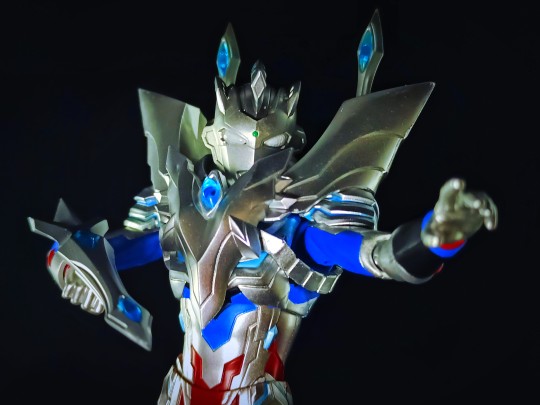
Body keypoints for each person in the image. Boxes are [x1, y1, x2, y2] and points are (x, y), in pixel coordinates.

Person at [28, 10, 497, 405]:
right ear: (212, 137)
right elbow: (96, 248)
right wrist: (73, 272)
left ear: (289, 146)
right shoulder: (182, 215)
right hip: (177, 393)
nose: (249, 150)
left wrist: (437, 235)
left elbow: (382, 256)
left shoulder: (295, 228)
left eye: (264, 143)